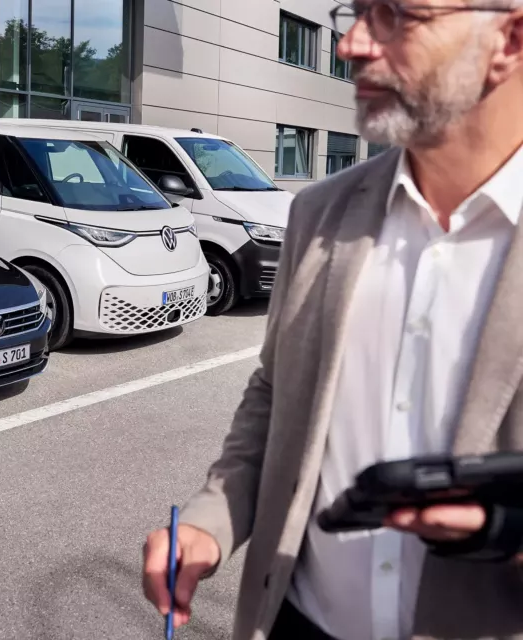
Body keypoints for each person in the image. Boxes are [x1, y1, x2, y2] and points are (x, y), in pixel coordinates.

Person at [142, 0, 523, 638]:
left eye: (398, 15)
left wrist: (502, 533)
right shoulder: (318, 212)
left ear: (508, 39)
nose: (350, 44)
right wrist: (213, 520)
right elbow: (276, 392)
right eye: (357, 10)